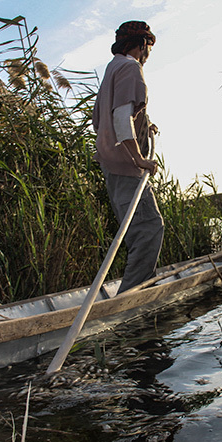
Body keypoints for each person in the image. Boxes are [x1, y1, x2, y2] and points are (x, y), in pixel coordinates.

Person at [92, 20, 165, 293]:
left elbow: (102, 120)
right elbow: (122, 118)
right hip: (125, 166)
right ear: (142, 44)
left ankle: (142, 287)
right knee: (149, 228)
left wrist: (146, 124)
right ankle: (131, 298)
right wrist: (138, 159)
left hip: (111, 163)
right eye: (148, 46)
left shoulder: (112, 69)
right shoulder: (130, 67)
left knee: (138, 229)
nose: (148, 53)